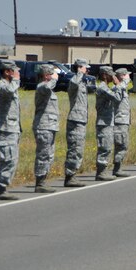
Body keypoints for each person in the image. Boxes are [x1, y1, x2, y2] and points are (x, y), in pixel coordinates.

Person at [0, 60, 21, 200]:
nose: (17, 73)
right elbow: (10, 91)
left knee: (12, 159)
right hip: (4, 129)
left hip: (12, 128)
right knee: (7, 159)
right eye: (14, 71)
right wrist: (16, 80)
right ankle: (1, 189)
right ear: (6, 72)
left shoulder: (10, 85)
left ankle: (3, 188)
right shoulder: (2, 86)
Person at [32, 64, 60, 193]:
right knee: (43, 154)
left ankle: (43, 180)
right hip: (43, 126)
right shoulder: (42, 86)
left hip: (50, 126)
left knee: (49, 154)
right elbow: (48, 86)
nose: (54, 76)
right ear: (45, 75)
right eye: (51, 74)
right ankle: (40, 183)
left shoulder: (48, 88)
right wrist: (54, 78)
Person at [64, 58, 91, 187]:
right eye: (86, 68)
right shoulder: (74, 81)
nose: (88, 70)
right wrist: (80, 72)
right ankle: (69, 177)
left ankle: (72, 175)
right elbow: (74, 83)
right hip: (75, 120)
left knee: (78, 149)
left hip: (81, 120)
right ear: (80, 67)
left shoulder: (82, 83)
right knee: (75, 148)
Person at [94, 66, 122, 181]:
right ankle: (101, 172)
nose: (113, 77)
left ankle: (103, 171)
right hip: (103, 123)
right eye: (111, 74)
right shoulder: (102, 88)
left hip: (107, 122)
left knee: (107, 147)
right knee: (104, 147)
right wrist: (118, 85)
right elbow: (117, 98)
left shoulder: (106, 87)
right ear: (105, 75)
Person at [113, 68, 132, 177]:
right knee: (121, 144)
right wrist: (124, 82)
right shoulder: (117, 88)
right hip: (119, 121)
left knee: (123, 145)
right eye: (127, 76)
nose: (129, 78)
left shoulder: (122, 88)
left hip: (124, 121)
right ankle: (117, 168)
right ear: (122, 76)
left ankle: (118, 168)